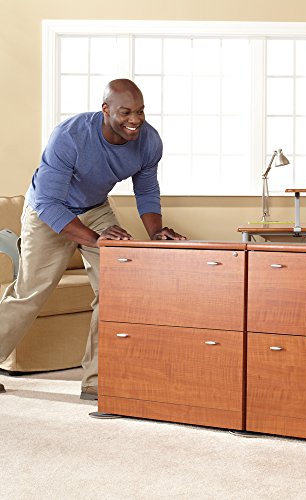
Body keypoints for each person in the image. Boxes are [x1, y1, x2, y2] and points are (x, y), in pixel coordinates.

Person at [0, 79, 185, 400]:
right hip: (49, 210)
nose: (135, 120)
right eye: (126, 112)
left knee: (116, 287)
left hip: (95, 208)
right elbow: (48, 203)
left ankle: (98, 380)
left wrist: (156, 231)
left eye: (140, 111)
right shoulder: (70, 136)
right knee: (30, 292)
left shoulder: (149, 141)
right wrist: (95, 239)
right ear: (106, 110)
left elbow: (146, 190)